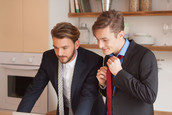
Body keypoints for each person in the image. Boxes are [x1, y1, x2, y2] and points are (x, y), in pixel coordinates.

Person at [17, 22, 105, 115]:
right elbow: (34, 89)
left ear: (76, 45)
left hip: (89, 111)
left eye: (64, 48)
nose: (59, 53)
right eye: (56, 47)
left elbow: (88, 95)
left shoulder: (93, 61)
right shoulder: (48, 58)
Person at [92, 10, 158, 115]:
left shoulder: (145, 56)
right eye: (97, 39)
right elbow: (113, 95)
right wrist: (103, 84)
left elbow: (149, 95)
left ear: (121, 35)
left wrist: (119, 73)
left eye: (104, 40)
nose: (100, 45)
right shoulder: (108, 57)